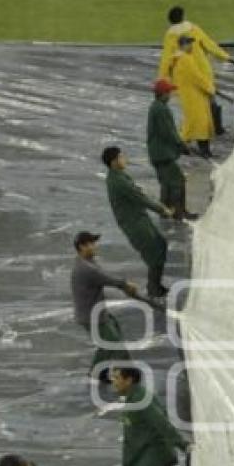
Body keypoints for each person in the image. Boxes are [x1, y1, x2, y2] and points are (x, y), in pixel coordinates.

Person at [102, 146, 173, 300]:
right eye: (121, 157)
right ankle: (154, 289)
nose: (124, 159)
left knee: (160, 245)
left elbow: (135, 192)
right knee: (154, 252)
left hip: (139, 218)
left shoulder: (119, 176)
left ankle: (155, 285)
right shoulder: (118, 180)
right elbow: (140, 198)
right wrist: (162, 210)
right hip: (134, 224)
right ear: (114, 162)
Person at [71, 230, 139, 381]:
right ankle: (129, 377)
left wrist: (124, 286)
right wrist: (126, 285)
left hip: (95, 313)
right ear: (81, 247)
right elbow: (107, 278)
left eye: (94, 243)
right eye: (91, 243)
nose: (95, 246)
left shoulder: (87, 262)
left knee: (108, 343)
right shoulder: (86, 268)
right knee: (115, 346)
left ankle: (97, 373)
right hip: (92, 317)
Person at [159, 4, 229, 136]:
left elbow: (166, 58)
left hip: (185, 74)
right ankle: (216, 127)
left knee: (192, 105)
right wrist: (225, 56)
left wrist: (162, 78)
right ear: (183, 16)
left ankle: (192, 132)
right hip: (202, 68)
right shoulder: (193, 29)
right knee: (210, 97)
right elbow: (209, 44)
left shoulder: (170, 36)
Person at [147, 79, 194, 218]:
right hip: (163, 154)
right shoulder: (161, 109)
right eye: (169, 92)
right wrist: (181, 145)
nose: (171, 95)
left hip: (158, 153)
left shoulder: (156, 106)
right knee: (177, 181)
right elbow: (168, 132)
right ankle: (179, 213)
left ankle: (166, 211)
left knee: (166, 183)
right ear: (163, 93)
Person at [169, 34, 216, 160]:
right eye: (189, 43)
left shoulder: (177, 59)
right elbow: (197, 77)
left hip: (188, 95)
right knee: (201, 123)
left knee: (192, 122)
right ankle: (203, 150)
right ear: (183, 45)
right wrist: (210, 88)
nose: (191, 46)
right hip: (195, 95)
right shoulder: (185, 59)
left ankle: (184, 145)